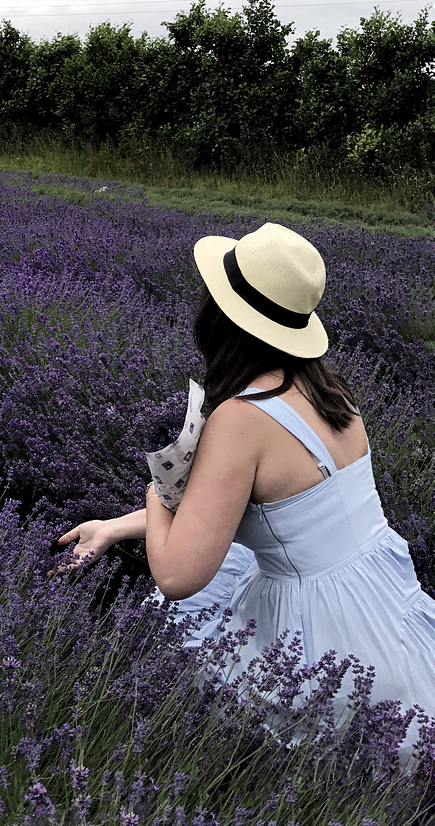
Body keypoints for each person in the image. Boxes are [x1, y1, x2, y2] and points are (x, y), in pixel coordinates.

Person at [55, 222, 435, 769]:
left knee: (299, 755)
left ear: (221, 317)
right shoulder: (330, 393)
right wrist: (114, 527)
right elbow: (285, 518)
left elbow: (179, 576)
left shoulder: (242, 418)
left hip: (315, 622)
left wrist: (162, 483)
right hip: (375, 596)